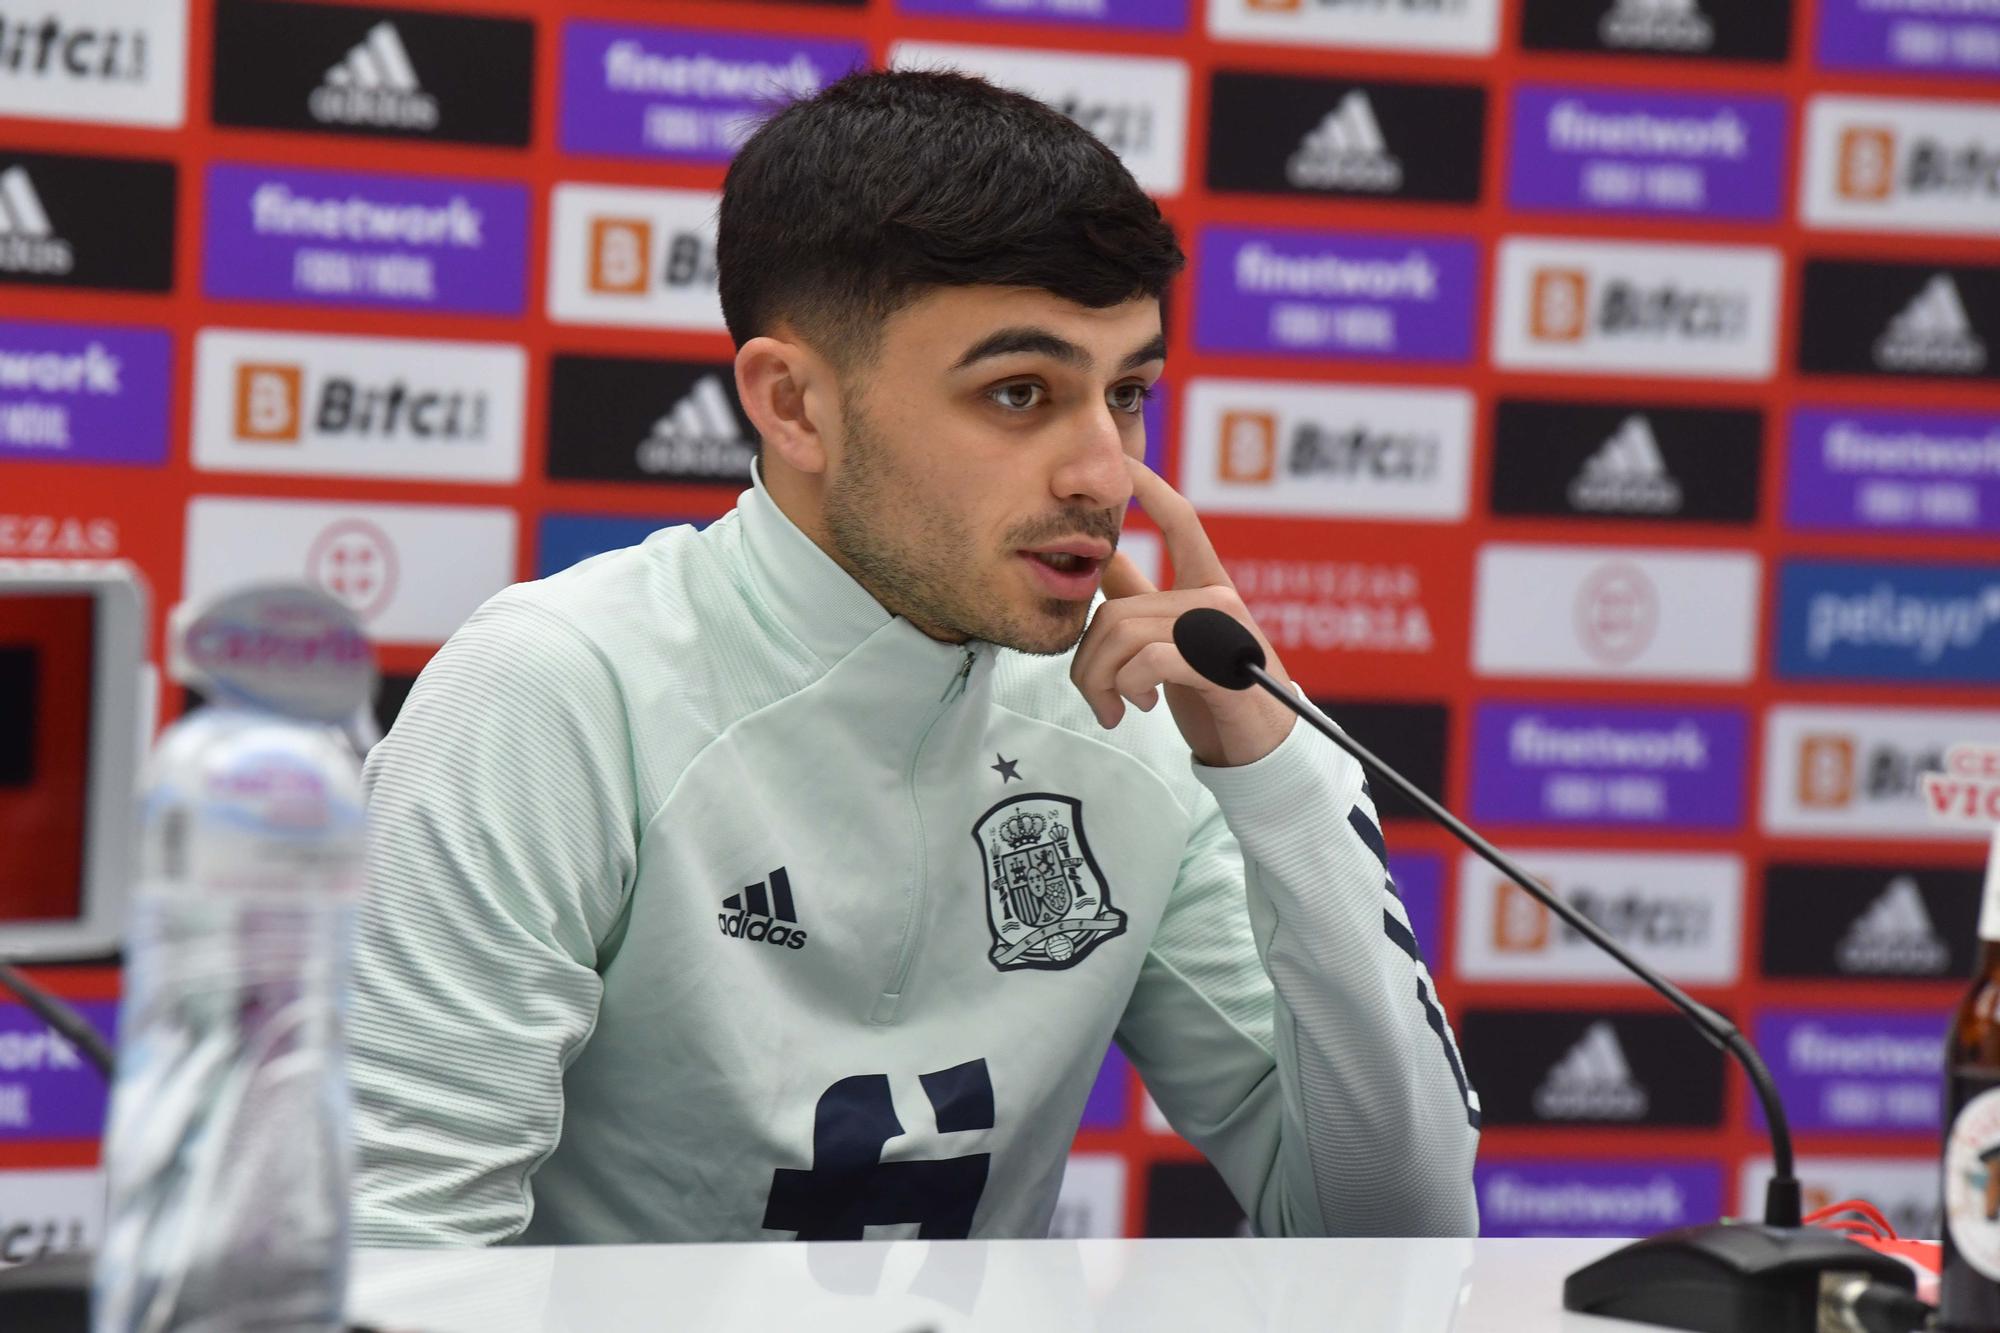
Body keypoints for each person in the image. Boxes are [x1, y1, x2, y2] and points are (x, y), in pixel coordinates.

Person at [350, 69, 1480, 1246]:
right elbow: (395, 1259)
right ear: (792, 404)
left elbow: (1391, 1238)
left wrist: (1278, 776)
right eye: (1019, 392)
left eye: (1128, 391)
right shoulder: (552, 691)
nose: (1104, 474)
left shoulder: (1145, 719)